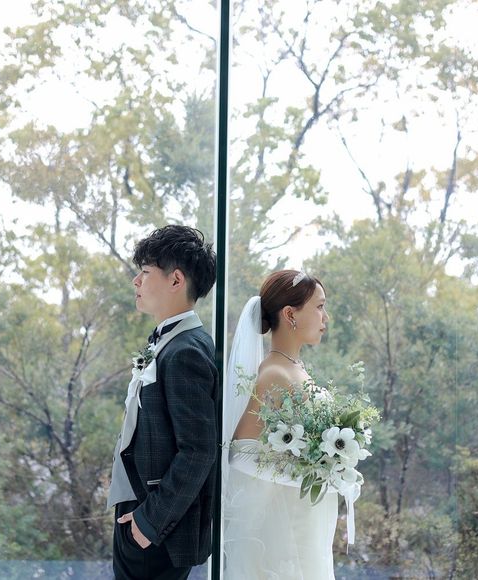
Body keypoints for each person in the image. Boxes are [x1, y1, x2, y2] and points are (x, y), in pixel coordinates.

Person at [108, 225, 218, 580]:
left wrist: (149, 521)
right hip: (142, 514)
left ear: (176, 280)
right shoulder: (169, 342)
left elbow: (199, 450)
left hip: (157, 527)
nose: (136, 282)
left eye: (144, 272)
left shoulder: (187, 351)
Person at [222, 269, 337, 579]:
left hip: (303, 522)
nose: (325, 317)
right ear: (290, 314)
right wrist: (314, 467)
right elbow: (242, 458)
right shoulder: (274, 375)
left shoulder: (295, 368)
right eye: (319, 306)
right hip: (283, 536)